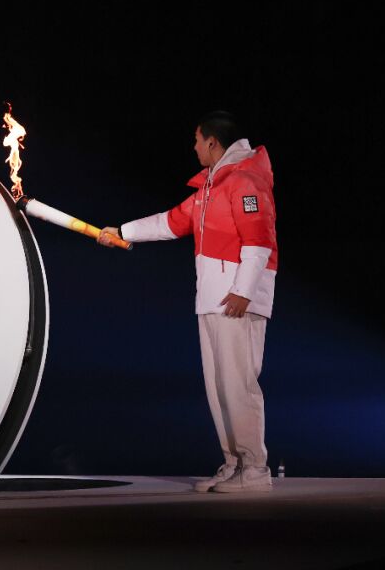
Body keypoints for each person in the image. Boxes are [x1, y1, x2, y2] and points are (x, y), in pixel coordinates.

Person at [99, 111, 278, 493]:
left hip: (236, 301)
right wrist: (122, 232)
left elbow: (259, 241)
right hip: (214, 299)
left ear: (213, 142)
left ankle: (256, 472)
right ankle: (234, 465)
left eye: (197, 140)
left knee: (238, 386)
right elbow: (170, 222)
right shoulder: (210, 189)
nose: (194, 147)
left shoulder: (245, 180)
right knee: (219, 388)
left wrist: (243, 291)